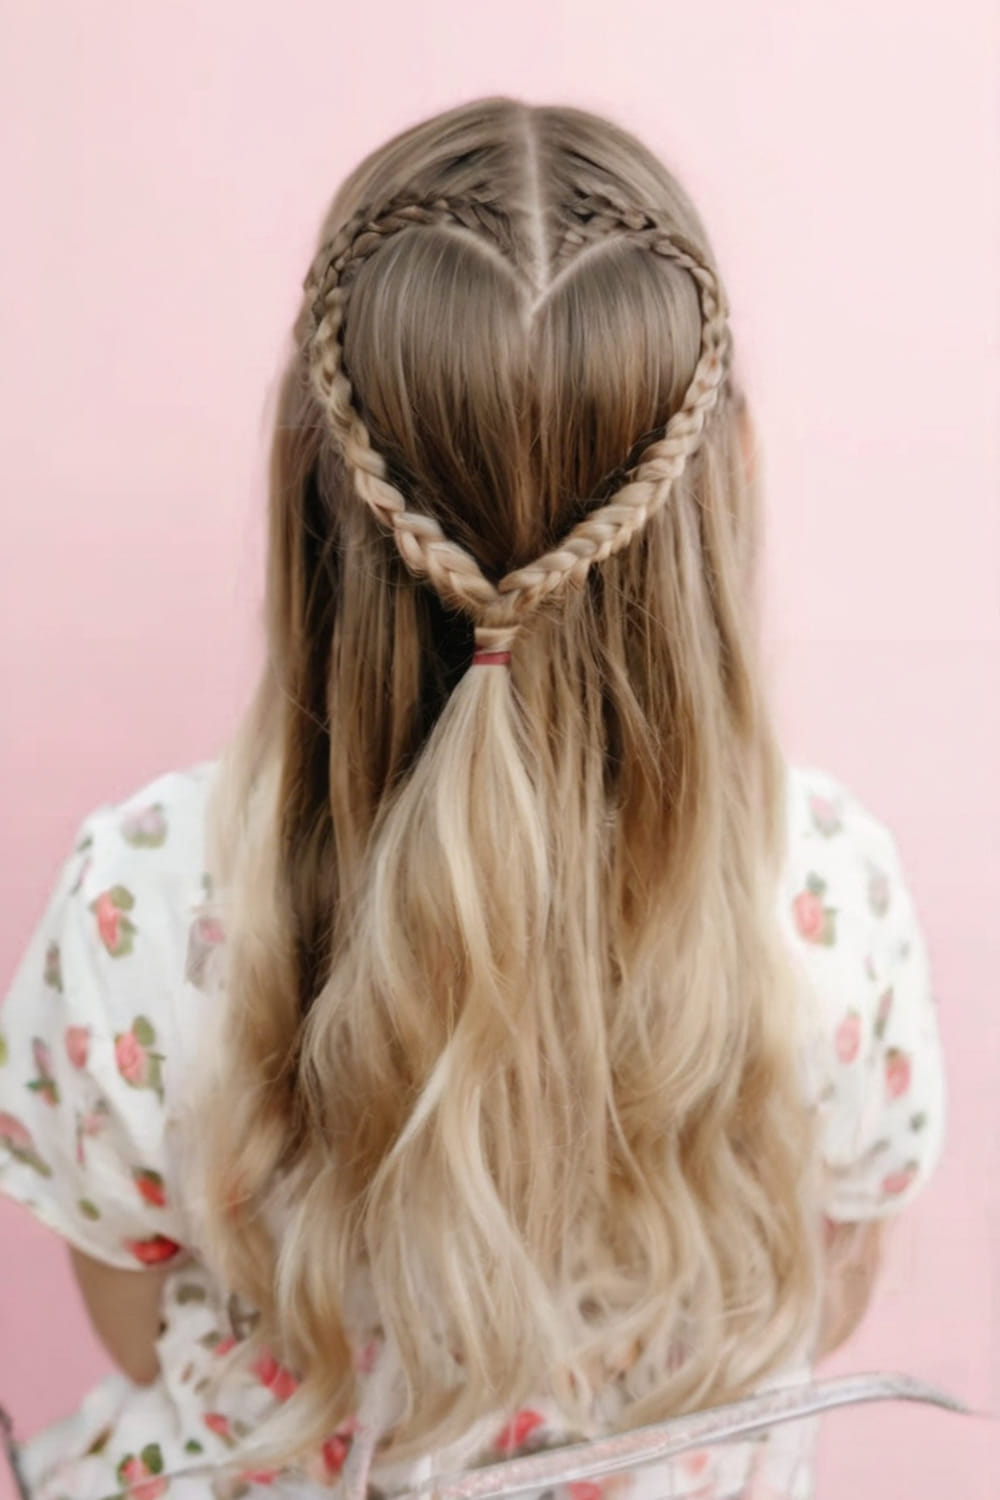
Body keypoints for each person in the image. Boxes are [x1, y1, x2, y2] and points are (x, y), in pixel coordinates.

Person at [0, 98, 946, 1500]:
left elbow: (133, 1327)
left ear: (304, 486)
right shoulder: (829, 897)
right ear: (731, 484)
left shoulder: (137, 895)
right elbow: (836, 1278)